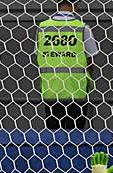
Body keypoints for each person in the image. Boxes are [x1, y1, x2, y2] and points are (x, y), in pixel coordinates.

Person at [36, 0, 98, 129]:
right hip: (76, 89)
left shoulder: (43, 27)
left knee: (53, 135)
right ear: (75, 5)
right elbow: (90, 59)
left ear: (57, 4)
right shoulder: (82, 27)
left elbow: (39, 55)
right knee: (75, 134)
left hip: (51, 89)